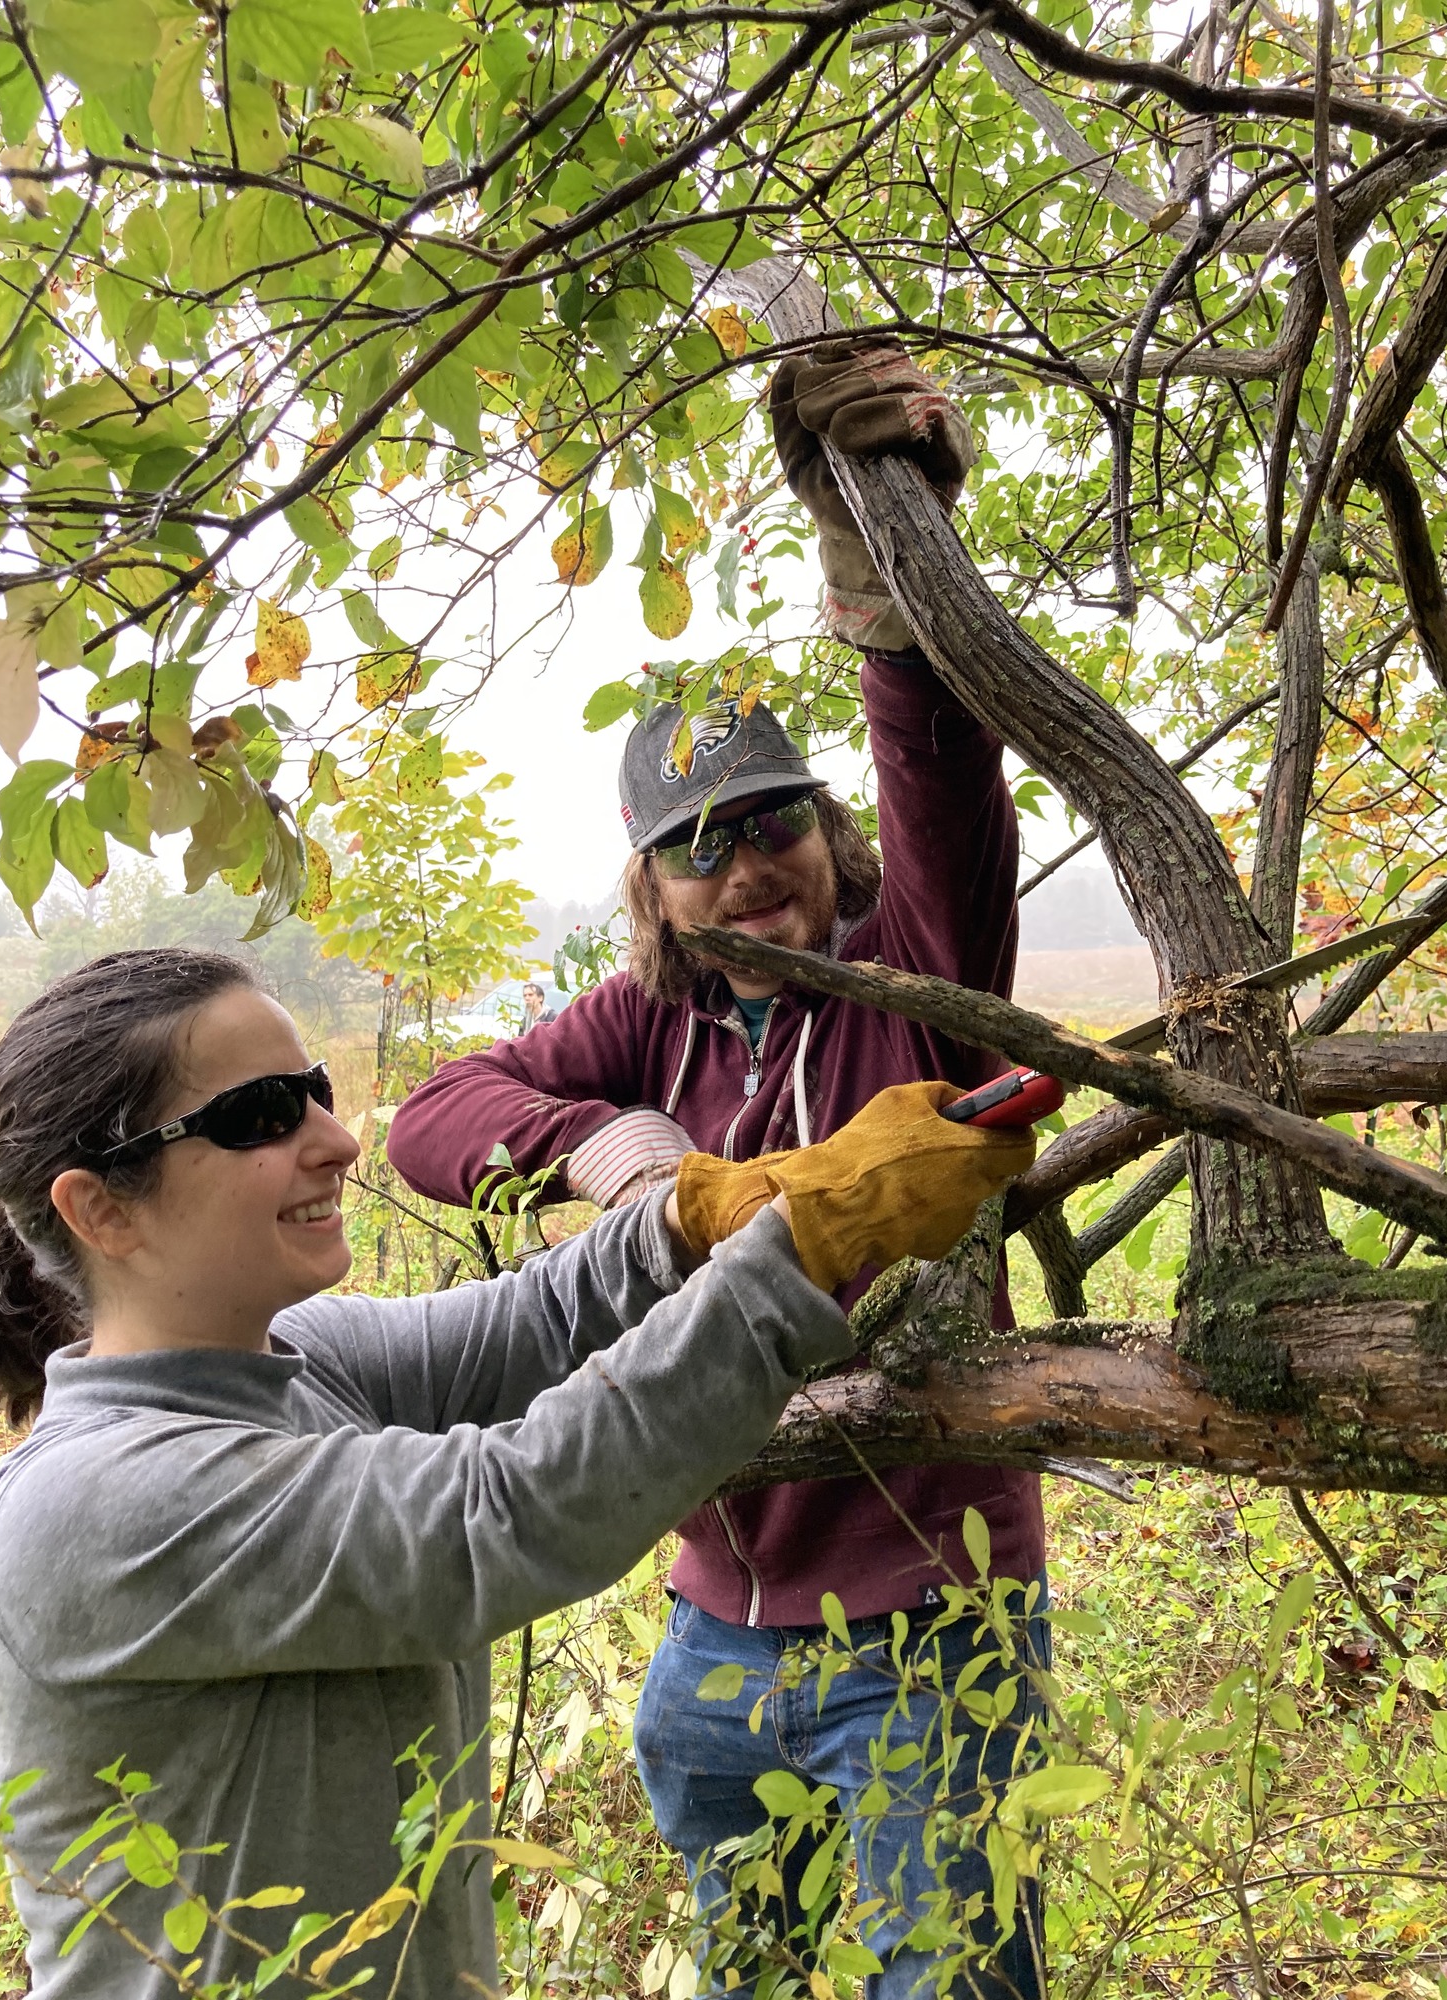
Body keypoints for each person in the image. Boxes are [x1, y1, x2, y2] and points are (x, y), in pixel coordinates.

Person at [0, 947, 1030, 1998]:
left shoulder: (301, 1359)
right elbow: (505, 1508)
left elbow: (535, 1318)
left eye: (317, 1093)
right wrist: (806, 1241)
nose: (340, 1141)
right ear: (101, 1210)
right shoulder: (90, 1503)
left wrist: (700, 1211)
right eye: (261, 1114)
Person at [386, 345, 1050, 1995]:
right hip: (711, 1638)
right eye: (696, 843)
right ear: (653, 885)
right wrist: (597, 1143)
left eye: (771, 822)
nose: (745, 866)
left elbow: (947, 782)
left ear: (824, 832)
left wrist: (881, 578)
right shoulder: (641, 1023)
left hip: (927, 1630)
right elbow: (430, 1118)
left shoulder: (920, 961)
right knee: (743, 1974)